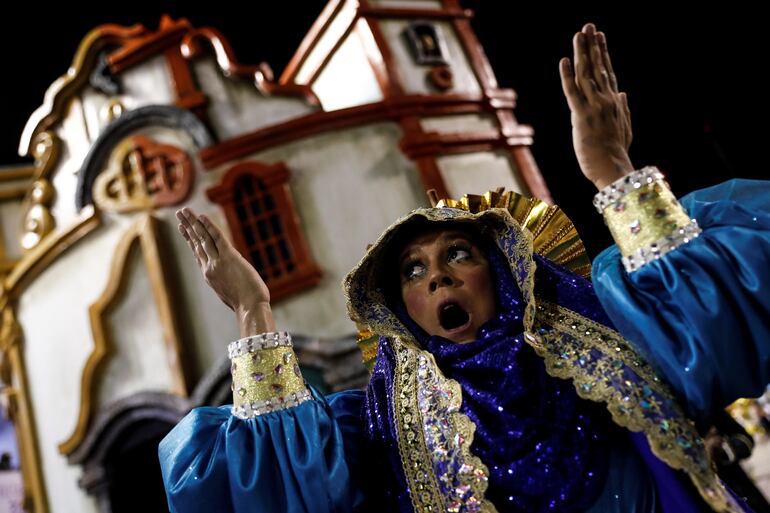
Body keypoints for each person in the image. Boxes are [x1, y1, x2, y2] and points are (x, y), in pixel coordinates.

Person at [159, 23, 770, 512]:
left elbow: (708, 318)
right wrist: (253, 310)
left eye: (457, 254)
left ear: (501, 271)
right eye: (412, 272)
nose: (437, 278)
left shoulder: (599, 334)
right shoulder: (387, 425)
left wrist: (612, 168)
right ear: (403, 310)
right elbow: (286, 483)